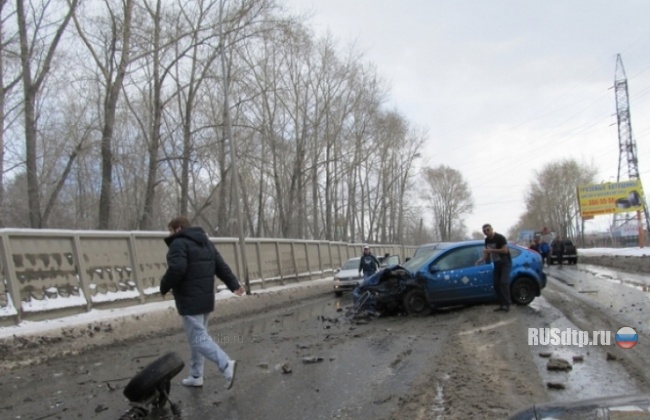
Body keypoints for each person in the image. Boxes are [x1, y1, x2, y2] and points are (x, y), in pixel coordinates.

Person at [160, 216, 245, 390]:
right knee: (198, 338)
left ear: (177, 229)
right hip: (205, 299)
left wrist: (164, 285)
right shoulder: (205, 243)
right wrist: (234, 284)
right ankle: (196, 375)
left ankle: (226, 365)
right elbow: (221, 265)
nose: (170, 234)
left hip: (190, 300)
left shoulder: (178, 243)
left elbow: (177, 268)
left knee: (198, 339)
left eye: (170, 230)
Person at [475, 223, 512, 312]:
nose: (486, 232)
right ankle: (502, 304)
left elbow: (505, 250)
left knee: (504, 282)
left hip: (505, 263)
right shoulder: (487, 240)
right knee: (496, 284)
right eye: (484, 231)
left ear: (492, 229)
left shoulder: (500, 238)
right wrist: (481, 259)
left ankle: (507, 304)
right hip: (496, 263)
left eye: (488, 230)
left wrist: (491, 250)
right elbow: (487, 252)